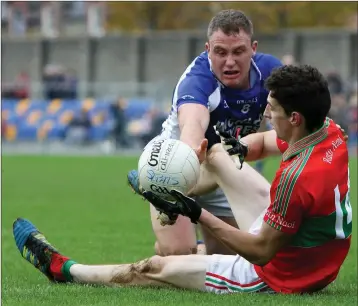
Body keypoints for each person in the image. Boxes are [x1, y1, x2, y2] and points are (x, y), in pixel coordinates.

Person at [14, 65, 352, 294]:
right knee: (220, 154)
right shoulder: (327, 130)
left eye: (272, 109)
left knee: (154, 267)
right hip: (311, 252)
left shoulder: (297, 177)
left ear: (294, 117)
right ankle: (168, 190)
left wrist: (195, 212)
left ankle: (65, 269)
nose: (265, 113)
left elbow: (261, 252)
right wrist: (237, 148)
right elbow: (264, 142)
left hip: (281, 273)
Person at [127, 9, 283, 256]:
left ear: (253, 48)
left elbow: (294, 123)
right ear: (208, 49)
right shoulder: (197, 80)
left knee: (234, 256)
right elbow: (192, 125)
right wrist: (190, 154)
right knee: (180, 254)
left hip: (222, 169)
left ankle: (193, 249)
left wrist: (321, 129)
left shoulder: (272, 73)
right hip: (175, 167)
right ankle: (167, 249)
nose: (229, 61)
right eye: (220, 52)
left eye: (238, 51)